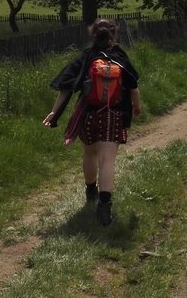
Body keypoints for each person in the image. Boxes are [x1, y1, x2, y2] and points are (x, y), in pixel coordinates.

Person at [44, 18, 142, 226]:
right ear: (114, 34)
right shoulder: (119, 56)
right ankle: (104, 208)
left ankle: (91, 191)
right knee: (107, 160)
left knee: (89, 153)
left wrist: (54, 113)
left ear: (93, 34)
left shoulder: (86, 57)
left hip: (88, 115)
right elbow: (133, 86)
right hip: (113, 115)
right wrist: (137, 107)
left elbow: (66, 86)